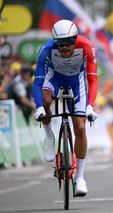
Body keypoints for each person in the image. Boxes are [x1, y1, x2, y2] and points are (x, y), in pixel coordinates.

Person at [32, 19, 98, 197]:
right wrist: (39, 108)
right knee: (45, 101)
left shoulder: (86, 46)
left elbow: (92, 79)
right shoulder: (46, 49)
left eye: (69, 41)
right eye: (60, 43)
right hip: (54, 78)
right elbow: (38, 81)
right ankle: (49, 136)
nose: (65, 46)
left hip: (77, 83)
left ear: (76, 38)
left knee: (80, 126)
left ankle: (81, 178)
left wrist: (90, 106)